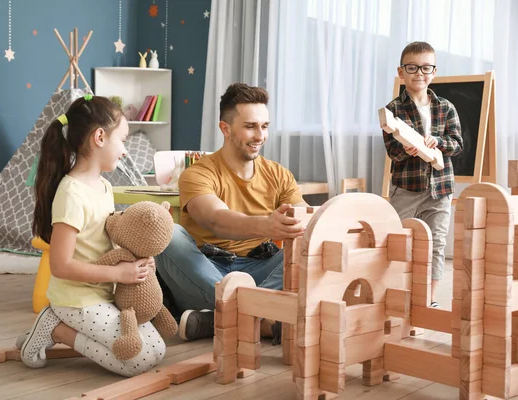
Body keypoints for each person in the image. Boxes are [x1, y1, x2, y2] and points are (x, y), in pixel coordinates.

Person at [17, 94, 165, 377]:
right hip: (76, 300)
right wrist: (120, 275)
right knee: (139, 360)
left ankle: (59, 327)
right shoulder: (72, 193)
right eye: (122, 140)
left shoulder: (105, 187)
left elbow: (106, 239)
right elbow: (60, 266)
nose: (125, 151)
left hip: (105, 294)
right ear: (99, 137)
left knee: (157, 348)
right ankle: (56, 328)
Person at [155, 83, 309, 341]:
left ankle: (221, 319)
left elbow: (305, 215)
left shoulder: (279, 174)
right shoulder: (198, 173)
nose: (260, 135)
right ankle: (262, 320)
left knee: (309, 242)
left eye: (265, 126)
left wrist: (299, 221)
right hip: (205, 270)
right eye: (250, 126)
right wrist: (268, 225)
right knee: (167, 233)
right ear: (225, 129)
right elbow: (216, 220)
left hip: (260, 268)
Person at [383, 41, 463, 308]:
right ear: (401, 71)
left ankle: (428, 298)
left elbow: (457, 144)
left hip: (440, 189)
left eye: (426, 67)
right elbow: (393, 151)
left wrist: (438, 142)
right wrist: (407, 149)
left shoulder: (446, 108)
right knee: (396, 240)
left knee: (437, 243)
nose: (419, 73)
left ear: (434, 71)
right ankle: (396, 291)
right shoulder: (393, 109)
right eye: (412, 67)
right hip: (406, 188)